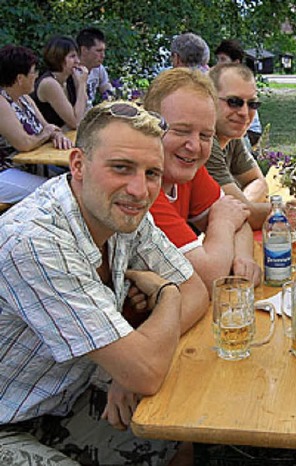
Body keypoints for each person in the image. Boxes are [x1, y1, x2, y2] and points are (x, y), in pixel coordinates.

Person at [0, 100, 209, 465]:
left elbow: (199, 291)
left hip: (66, 395)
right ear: (78, 164)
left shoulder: (121, 212)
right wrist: (167, 295)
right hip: (9, 420)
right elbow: (178, 302)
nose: (139, 189)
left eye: (151, 173)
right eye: (121, 168)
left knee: (173, 433)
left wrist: (127, 369)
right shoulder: (35, 242)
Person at [144, 67, 262, 289]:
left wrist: (243, 258)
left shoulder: (191, 172)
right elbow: (209, 277)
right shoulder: (143, 190)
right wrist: (223, 222)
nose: (194, 146)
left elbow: (242, 220)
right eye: (180, 131)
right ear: (150, 126)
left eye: (206, 135)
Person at [0, 44, 73, 203]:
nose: (36, 76)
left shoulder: (24, 98)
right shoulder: (1, 102)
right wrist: (46, 134)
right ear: (20, 78)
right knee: (52, 192)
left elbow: (47, 127)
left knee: (72, 179)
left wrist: (56, 134)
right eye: (33, 72)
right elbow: (24, 144)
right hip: (4, 172)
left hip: (26, 168)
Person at [206, 62, 270, 229]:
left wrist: (244, 203)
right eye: (234, 102)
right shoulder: (204, 141)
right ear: (209, 99)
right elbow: (252, 217)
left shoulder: (232, 135)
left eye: (252, 104)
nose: (244, 113)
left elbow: (258, 181)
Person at [30, 35, 89, 129]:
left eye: (77, 56)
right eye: (72, 56)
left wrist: (79, 84)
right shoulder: (49, 83)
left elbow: (85, 111)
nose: (77, 61)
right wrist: (82, 84)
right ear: (59, 58)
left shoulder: (70, 78)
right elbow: (76, 123)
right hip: (47, 141)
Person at [214, 39, 263, 148]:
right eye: (218, 59)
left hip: (249, 132)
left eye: (223, 59)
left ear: (236, 63)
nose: (218, 64)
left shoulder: (238, 81)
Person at [76, 27, 113, 107]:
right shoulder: (72, 72)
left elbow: (106, 88)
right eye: (98, 51)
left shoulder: (98, 68)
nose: (103, 55)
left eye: (104, 51)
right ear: (84, 50)